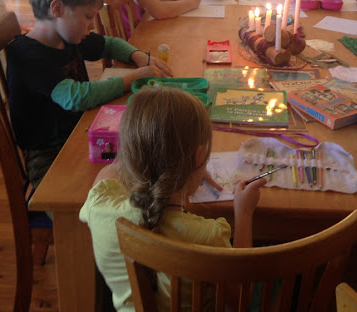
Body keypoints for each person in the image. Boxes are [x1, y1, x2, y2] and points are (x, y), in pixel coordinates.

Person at [79, 87, 266, 311]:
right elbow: (238, 301)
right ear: (198, 157)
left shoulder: (99, 205)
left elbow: (110, 172)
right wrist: (243, 214)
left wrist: (184, 167)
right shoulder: (208, 237)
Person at [6, 0, 172, 189]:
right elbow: (76, 97)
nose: (92, 25)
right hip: (49, 157)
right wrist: (132, 78)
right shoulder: (26, 54)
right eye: (87, 16)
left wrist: (138, 56)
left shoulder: (66, 35)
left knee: (149, 155)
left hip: (81, 130)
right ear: (57, 9)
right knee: (132, 181)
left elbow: (109, 44)